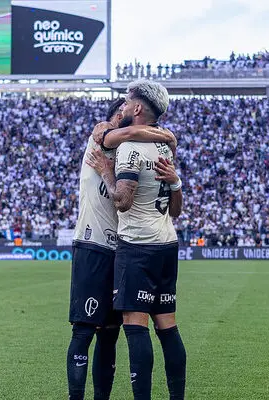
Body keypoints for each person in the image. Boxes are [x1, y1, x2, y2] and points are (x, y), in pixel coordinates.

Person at [67, 98, 175, 400]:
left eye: (125, 113)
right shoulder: (99, 139)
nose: (123, 119)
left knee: (110, 335)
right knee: (83, 330)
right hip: (92, 244)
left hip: (124, 250)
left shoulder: (132, 155)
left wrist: (163, 138)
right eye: (119, 114)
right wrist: (165, 135)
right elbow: (121, 132)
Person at [91, 80, 186, 400]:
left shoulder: (131, 148)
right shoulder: (165, 147)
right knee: (167, 327)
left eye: (128, 102)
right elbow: (175, 211)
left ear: (137, 109)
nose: (125, 105)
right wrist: (176, 183)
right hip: (167, 242)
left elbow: (122, 201)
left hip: (137, 245)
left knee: (135, 327)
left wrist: (106, 171)